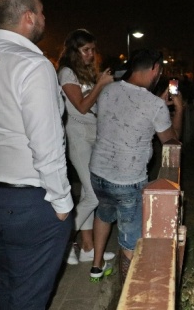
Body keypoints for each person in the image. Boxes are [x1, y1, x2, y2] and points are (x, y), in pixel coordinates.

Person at [0, 0, 74, 309]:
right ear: (29, 18)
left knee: (10, 283)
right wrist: (62, 202)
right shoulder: (34, 65)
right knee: (28, 296)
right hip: (29, 202)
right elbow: (46, 141)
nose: (45, 17)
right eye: (42, 11)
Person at [89, 49, 183, 283]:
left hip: (98, 173)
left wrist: (156, 106)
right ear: (155, 69)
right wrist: (179, 110)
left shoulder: (108, 90)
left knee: (103, 213)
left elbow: (124, 116)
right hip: (127, 181)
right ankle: (129, 290)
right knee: (130, 242)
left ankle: (96, 265)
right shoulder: (154, 105)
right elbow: (171, 141)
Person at [56, 29, 115, 265]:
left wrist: (101, 87)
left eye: (93, 49)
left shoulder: (85, 72)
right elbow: (80, 107)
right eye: (86, 50)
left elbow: (91, 103)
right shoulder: (66, 72)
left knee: (94, 192)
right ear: (74, 50)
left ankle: (88, 249)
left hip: (94, 134)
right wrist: (100, 85)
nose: (91, 54)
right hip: (78, 137)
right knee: (92, 194)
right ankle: (62, 240)